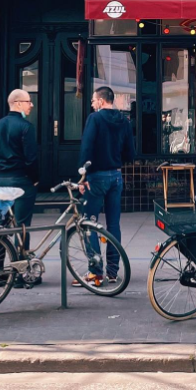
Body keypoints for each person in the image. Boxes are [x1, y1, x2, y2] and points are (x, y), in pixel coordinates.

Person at [76, 85, 136, 286]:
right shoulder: (124, 121)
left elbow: (87, 147)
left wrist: (82, 176)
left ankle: (95, 272)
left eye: (93, 101)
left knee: (89, 222)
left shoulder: (95, 119)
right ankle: (112, 271)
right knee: (113, 224)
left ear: (101, 101)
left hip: (96, 177)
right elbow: (130, 153)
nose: (92, 104)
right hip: (116, 176)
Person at [0, 88, 39, 287]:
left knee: (0, 227)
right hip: (22, 183)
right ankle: (19, 274)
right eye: (28, 101)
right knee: (22, 228)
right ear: (17, 103)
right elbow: (31, 159)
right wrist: (34, 180)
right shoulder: (26, 127)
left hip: (1, 182)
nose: (31, 105)